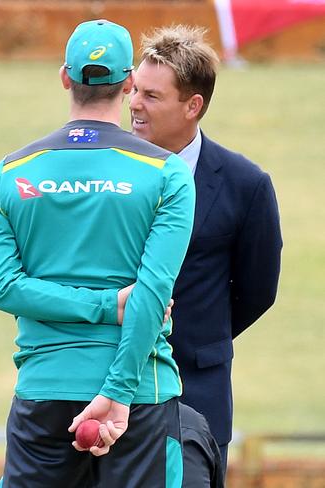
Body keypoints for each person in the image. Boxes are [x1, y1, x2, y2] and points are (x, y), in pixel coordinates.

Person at [0, 19, 195, 488]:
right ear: (130, 83)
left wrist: (95, 306)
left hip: (44, 389)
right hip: (141, 393)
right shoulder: (167, 174)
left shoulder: (8, 174)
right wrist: (117, 391)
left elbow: (4, 289)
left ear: (64, 77)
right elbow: (152, 292)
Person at [129, 25, 282, 470]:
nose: (134, 104)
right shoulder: (109, 173)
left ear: (193, 106)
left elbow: (258, 291)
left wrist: (203, 333)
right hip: (104, 387)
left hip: (198, 394)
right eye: (135, 90)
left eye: (151, 96)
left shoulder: (246, 185)